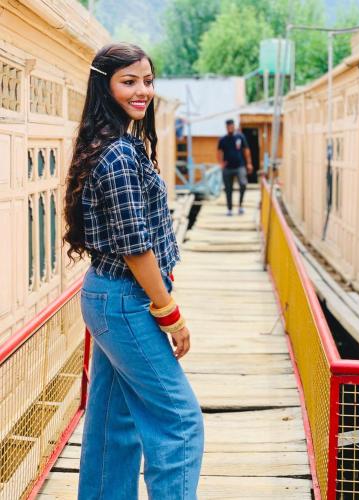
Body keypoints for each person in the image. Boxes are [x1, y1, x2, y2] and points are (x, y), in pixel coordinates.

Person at [62, 43, 204, 500]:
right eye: (129, 81)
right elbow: (135, 246)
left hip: (108, 298)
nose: (142, 91)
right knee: (180, 422)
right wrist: (169, 314)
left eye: (147, 81)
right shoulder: (120, 155)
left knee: (111, 425)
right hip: (125, 300)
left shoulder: (112, 143)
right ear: (104, 85)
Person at [217, 119, 254, 216]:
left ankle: (240, 205)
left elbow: (246, 150)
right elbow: (219, 152)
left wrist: (249, 163)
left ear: (234, 126)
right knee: (228, 189)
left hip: (240, 166)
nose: (230, 128)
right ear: (226, 127)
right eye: (228, 126)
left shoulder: (240, 137)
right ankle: (229, 209)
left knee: (243, 184)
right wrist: (221, 163)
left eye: (231, 126)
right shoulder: (222, 139)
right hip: (227, 168)